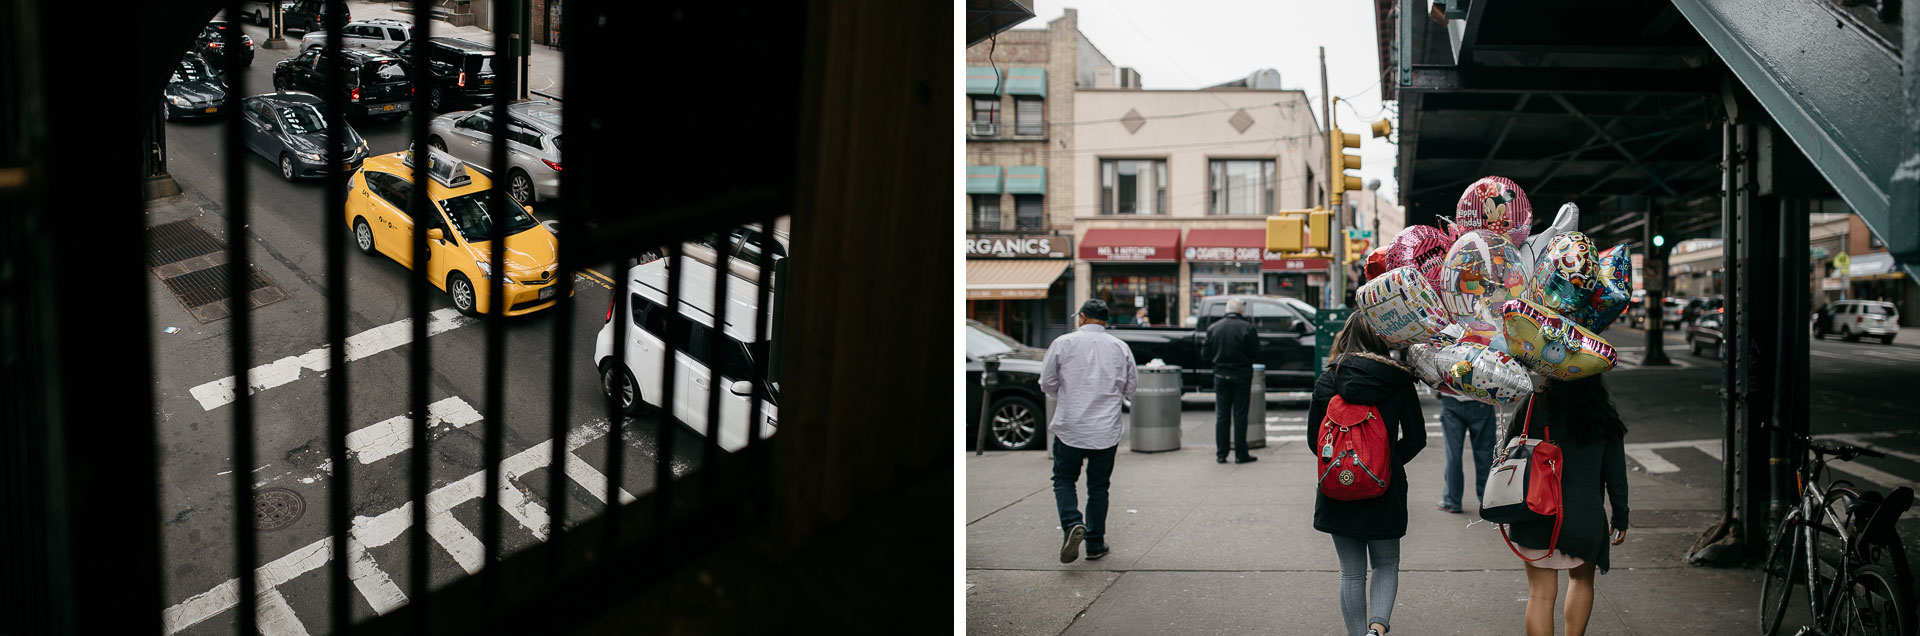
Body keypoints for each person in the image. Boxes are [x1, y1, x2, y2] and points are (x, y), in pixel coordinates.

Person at [1307, 314, 1426, 636]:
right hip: (1384, 488)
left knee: (1350, 572)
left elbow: (1313, 441)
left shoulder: (1327, 380)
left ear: (1346, 334)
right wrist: (1384, 462)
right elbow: (1417, 438)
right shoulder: (1398, 382)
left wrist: (1348, 466)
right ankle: (1377, 629)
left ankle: (1358, 635)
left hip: (1337, 487)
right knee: (1386, 564)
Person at [1503, 375, 1629, 636]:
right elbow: (1616, 474)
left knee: (1540, 595)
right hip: (1584, 517)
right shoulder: (1603, 413)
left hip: (1536, 512)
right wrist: (1620, 517)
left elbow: (1509, 451)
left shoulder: (1533, 404)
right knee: (1582, 581)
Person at [1039, 299, 1138, 564]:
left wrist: (1069, 391)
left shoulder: (1063, 343)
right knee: (1098, 487)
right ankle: (1095, 543)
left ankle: (1072, 522)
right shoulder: (1120, 347)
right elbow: (1130, 387)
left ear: (1082, 317)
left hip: (1071, 425)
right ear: (1105, 320)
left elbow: (1047, 383)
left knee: (1063, 479)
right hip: (1105, 430)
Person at [1203, 298, 1261, 464]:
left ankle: (1221, 454)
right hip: (1241, 375)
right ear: (1241, 311)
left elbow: (1205, 354)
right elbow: (1255, 353)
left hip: (1220, 375)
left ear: (1226, 311)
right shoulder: (1248, 328)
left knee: (1222, 415)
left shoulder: (1213, 328)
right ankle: (1241, 454)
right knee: (1240, 415)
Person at [1435, 392, 1497, 513]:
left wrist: (1435, 391)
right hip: (1481, 396)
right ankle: (1488, 500)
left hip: (1450, 397)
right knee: (1485, 453)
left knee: (1453, 454)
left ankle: (1452, 500)